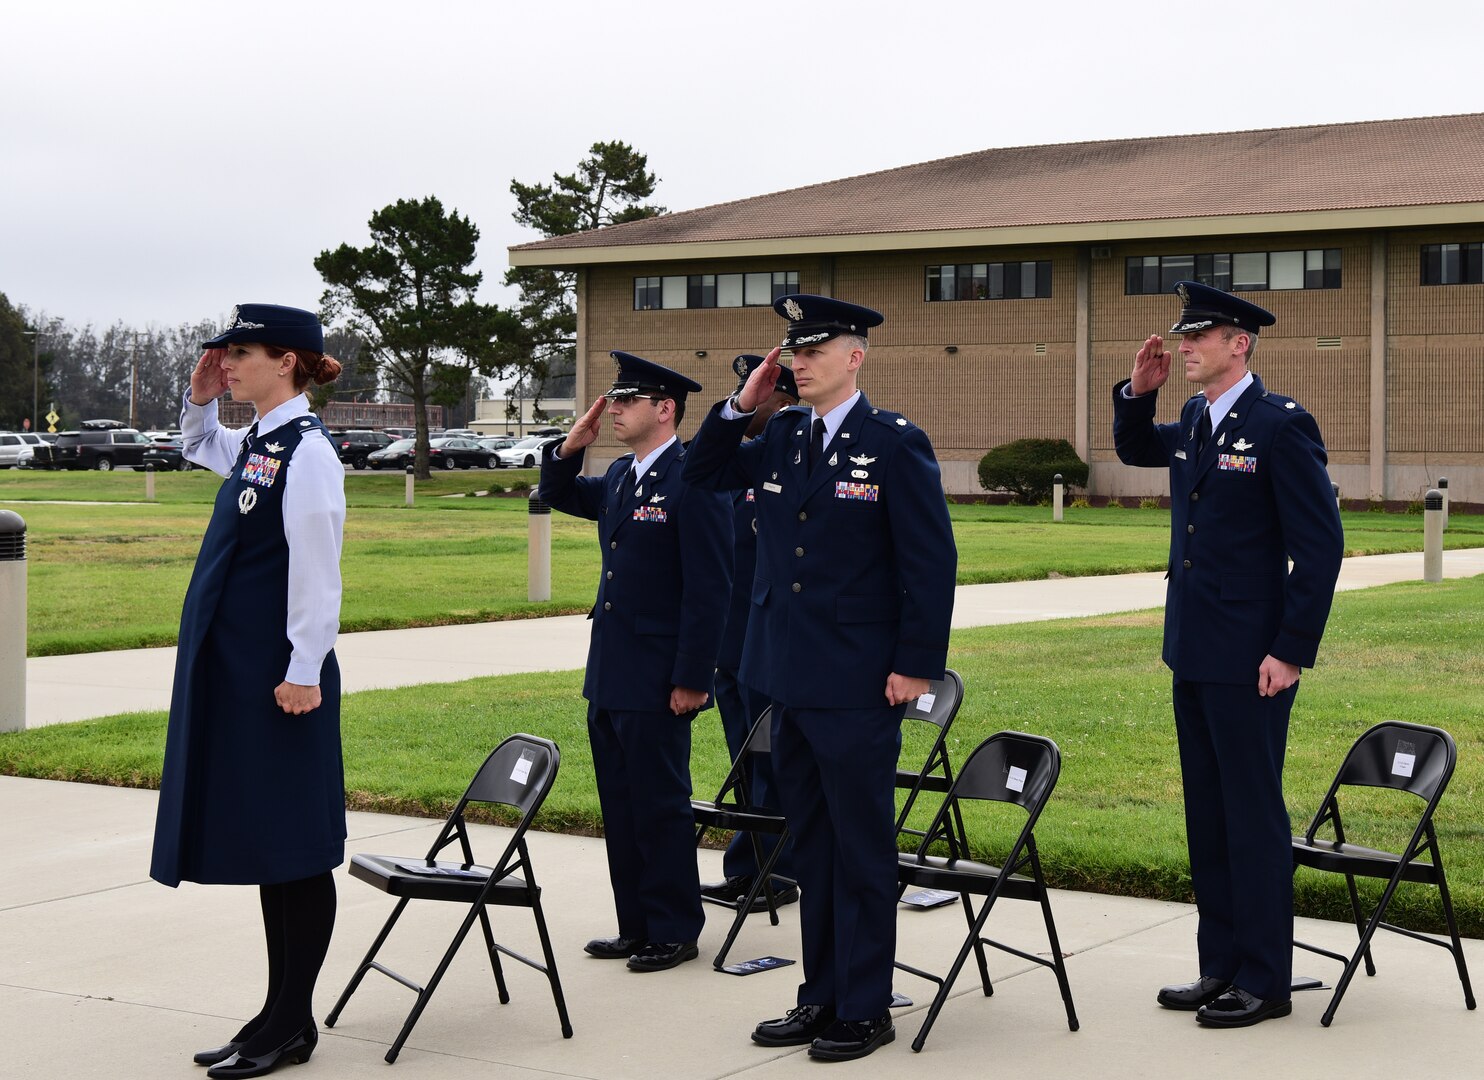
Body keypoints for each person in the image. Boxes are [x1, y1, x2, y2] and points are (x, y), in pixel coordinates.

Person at [684, 295, 958, 1061]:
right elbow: (702, 471)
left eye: (813, 350)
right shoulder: (781, 435)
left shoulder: (893, 443)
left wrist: (914, 666)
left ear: (854, 357)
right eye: (792, 351)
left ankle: (865, 1005)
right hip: (785, 676)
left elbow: (930, 565)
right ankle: (821, 994)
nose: (797, 363)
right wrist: (744, 401)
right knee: (811, 847)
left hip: (861, 681)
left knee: (861, 847)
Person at [1113, 280, 1344, 1029]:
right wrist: (1135, 394)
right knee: (1209, 818)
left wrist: (1291, 650)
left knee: (1251, 817)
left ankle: (1266, 980)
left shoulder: (1281, 425)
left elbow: (1320, 547)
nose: (1182, 346)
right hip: (1194, 648)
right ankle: (1222, 967)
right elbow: (1137, 449)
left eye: (1197, 337)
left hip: (1253, 659)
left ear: (1238, 343)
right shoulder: (1193, 416)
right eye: (1182, 337)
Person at [150, 304, 347, 1078]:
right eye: (223, 354)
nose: (227, 362)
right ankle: (276, 1015)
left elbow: (317, 573)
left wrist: (304, 669)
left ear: (288, 361)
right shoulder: (264, 441)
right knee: (273, 846)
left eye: (241, 353)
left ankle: (292, 1024)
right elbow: (197, 444)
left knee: (297, 849)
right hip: (246, 677)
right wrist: (200, 397)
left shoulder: (310, 453)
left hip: (283, 683)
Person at [538, 351, 732, 973]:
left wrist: (692, 678)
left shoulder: (696, 477)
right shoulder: (623, 474)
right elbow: (558, 493)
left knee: (660, 804)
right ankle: (636, 924)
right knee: (620, 806)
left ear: (665, 408)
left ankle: (674, 928)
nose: (614, 408)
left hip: (660, 676)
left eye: (627, 401)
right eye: (614, 400)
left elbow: (711, 588)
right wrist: (571, 447)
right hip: (613, 672)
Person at [700, 354, 801, 914]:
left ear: (782, 401)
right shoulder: (739, 471)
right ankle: (747, 867)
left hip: (768, 641)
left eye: (755, 392)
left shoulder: (784, 467)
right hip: (729, 642)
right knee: (743, 760)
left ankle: (779, 872)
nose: (746, 398)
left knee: (772, 761)